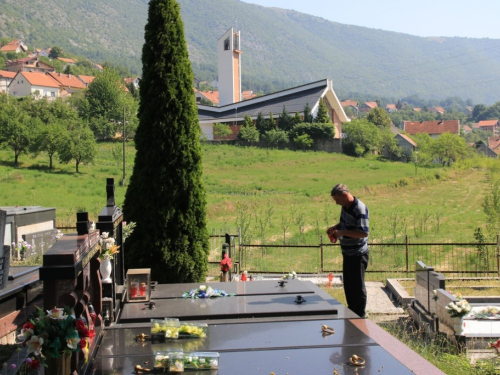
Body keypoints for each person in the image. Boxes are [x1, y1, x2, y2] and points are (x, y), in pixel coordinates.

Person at [327, 183, 369, 318]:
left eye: (337, 200)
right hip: (347, 253)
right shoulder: (345, 207)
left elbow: (363, 233)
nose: (337, 204)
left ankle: (360, 316)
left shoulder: (360, 209)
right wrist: (334, 228)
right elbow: (344, 224)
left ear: (345, 195)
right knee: (349, 286)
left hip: (358, 254)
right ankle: (351, 312)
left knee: (357, 287)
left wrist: (341, 232)